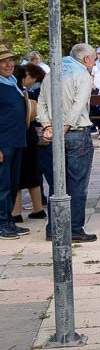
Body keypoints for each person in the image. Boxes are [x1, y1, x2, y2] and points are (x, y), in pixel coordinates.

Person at [36, 44, 98, 243]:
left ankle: (53, 228)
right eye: (94, 60)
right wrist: (64, 128)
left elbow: (41, 102)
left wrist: (47, 126)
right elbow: (78, 106)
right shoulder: (83, 75)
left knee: (57, 183)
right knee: (77, 184)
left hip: (53, 133)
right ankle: (74, 229)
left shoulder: (52, 71)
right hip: (76, 133)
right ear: (87, 59)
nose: (94, 64)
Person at [11, 64, 47, 224]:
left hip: (18, 137)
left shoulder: (13, 92)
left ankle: (15, 213)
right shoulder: (24, 93)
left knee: (16, 175)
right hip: (30, 136)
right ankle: (38, 209)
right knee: (33, 173)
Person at [0, 45, 28, 240]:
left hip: (17, 140)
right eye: (4, 61)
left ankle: (8, 220)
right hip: (4, 143)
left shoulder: (11, 82)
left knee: (13, 183)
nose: (9, 64)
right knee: (2, 185)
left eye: (11, 60)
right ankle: (2, 223)